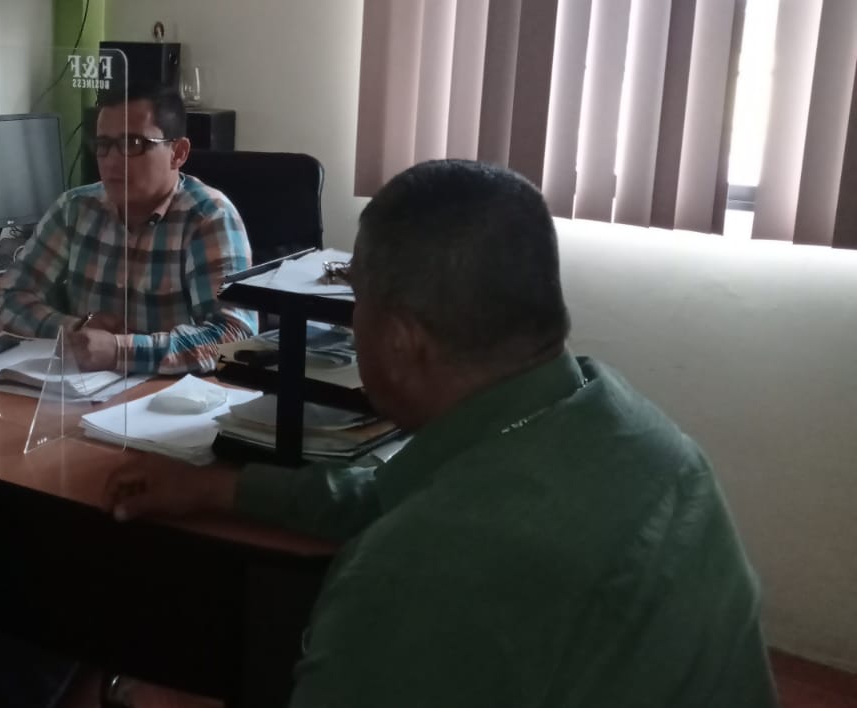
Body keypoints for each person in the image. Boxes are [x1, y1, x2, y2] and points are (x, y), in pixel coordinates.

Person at [104, 160, 777, 708]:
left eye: (359, 306)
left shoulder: (416, 570)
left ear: (401, 340)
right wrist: (220, 492)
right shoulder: (625, 426)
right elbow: (391, 492)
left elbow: (435, 536)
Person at [0, 85, 256, 374]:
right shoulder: (75, 209)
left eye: (133, 143)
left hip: (171, 393)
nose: (112, 160)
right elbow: (6, 299)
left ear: (178, 153)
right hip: (81, 387)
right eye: (103, 144)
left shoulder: (209, 217)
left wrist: (121, 351)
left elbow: (234, 336)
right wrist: (76, 330)